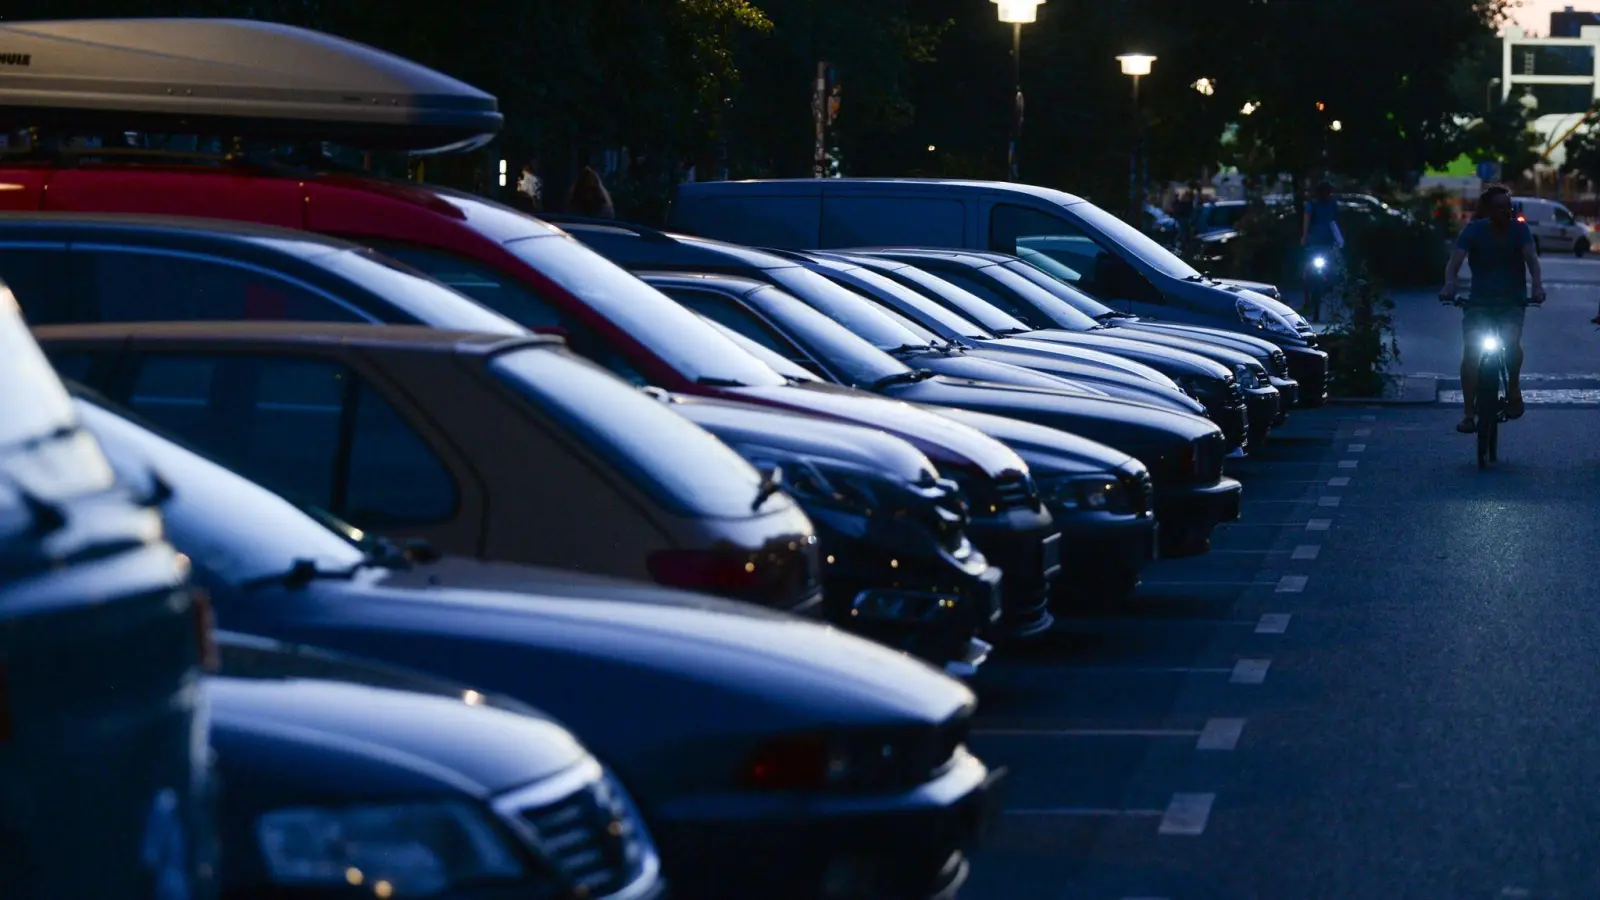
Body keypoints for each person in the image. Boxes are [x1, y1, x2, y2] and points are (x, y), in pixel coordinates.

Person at [1440, 183, 1545, 434]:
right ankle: (1468, 414)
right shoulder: (1474, 231)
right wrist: (1449, 285)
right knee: (1471, 354)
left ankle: (1513, 389)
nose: (1505, 212)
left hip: (1512, 302)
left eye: (1508, 207)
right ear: (1487, 209)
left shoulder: (1520, 231)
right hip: (1479, 304)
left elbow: (1532, 261)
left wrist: (1537, 287)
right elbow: (1454, 262)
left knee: (1511, 341)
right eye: (1499, 208)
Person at [1300, 181, 1343, 319]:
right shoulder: (1311, 205)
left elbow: (1336, 223)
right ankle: (1307, 301)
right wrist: (1305, 237)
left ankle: (1330, 299)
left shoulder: (1332, 205)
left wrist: (1339, 239)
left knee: (1333, 272)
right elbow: (1306, 221)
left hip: (1327, 244)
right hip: (1313, 244)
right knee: (1306, 273)